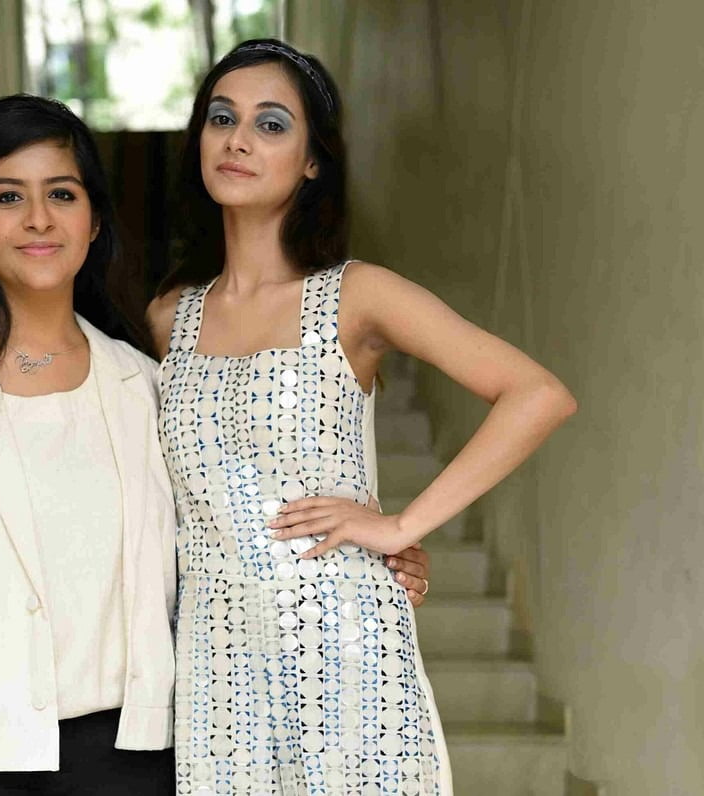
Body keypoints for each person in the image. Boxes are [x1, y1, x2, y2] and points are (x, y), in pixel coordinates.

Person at [0, 92, 435, 795]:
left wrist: (371, 553)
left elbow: (230, 537)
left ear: (95, 220)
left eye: (62, 194)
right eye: (7, 196)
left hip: (130, 764)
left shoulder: (147, 385)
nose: (38, 218)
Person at [148, 39, 577, 795]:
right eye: (221, 118)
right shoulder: (168, 317)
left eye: (271, 124)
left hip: (342, 640)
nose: (238, 139)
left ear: (314, 161)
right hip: (216, 659)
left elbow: (537, 394)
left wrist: (401, 527)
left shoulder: (356, 295)